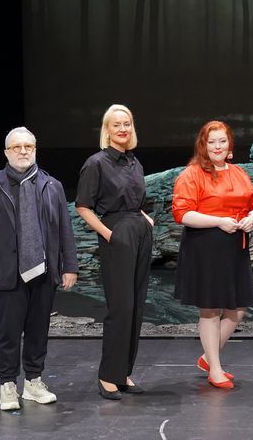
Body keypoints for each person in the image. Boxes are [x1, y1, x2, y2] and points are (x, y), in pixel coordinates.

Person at [0, 126, 78, 411]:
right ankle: (7, 385)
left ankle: (33, 381)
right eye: (16, 147)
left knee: (38, 332)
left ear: (35, 150)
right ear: (7, 152)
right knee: (7, 333)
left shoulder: (52, 186)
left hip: (43, 272)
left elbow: (65, 229)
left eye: (28, 147)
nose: (23, 151)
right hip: (6, 273)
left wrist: (69, 265)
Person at [172, 121, 253, 390]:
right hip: (205, 248)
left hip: (236, 248)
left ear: (229, 144)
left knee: (238, 308)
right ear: (203, 145)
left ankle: (207, 358)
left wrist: (252, 218)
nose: (217, 146)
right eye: (211, 142)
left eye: (222, 141)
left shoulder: (238, 173)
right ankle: (215, 368)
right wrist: (219, 221)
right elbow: (183, 214)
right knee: (210, 309)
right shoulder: (192, 174)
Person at [76, 105, 154, 400]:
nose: (123, 129)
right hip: (116, 234)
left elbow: (137, 201)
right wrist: (109, 234)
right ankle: (108, 375)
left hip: (139, 231)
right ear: (107, 130)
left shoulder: (134, 161)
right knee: (120, 307)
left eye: (127, 123)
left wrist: (145, 219)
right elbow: (83, 206)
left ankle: (123, 373)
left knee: (135, 308)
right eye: (117, 124)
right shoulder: (96, 163)